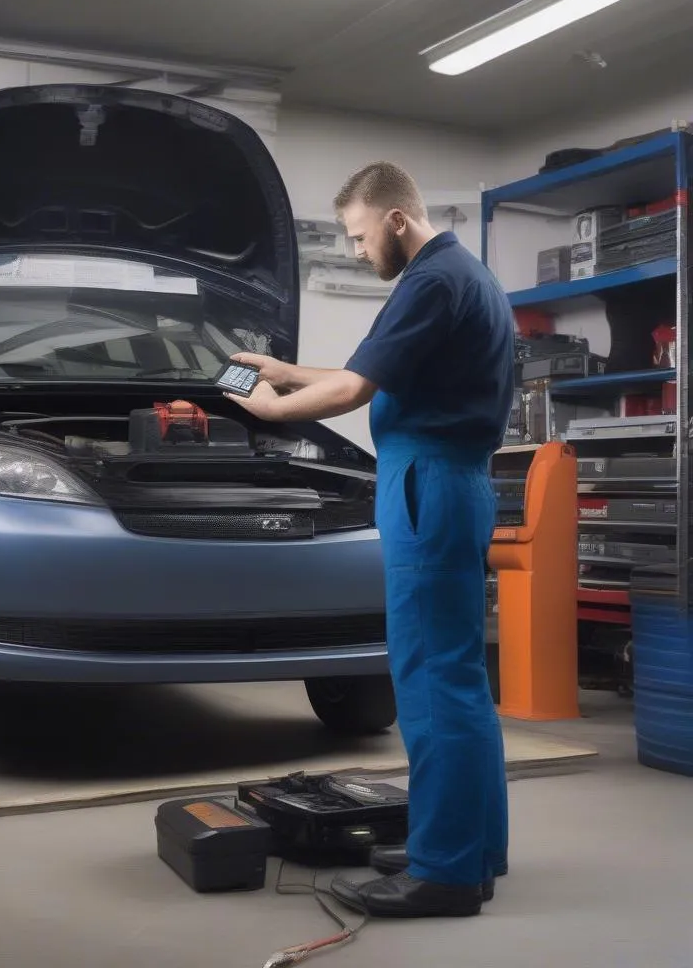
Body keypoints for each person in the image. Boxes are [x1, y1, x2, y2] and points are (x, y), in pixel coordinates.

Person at [229, 161, 514, 919]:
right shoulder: (464, 275)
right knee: (460, 677)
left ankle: (444, 872)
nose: (356, 253)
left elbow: (354, 392)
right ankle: (472, 846)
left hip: (427, 484)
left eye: (358, 238)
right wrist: (290, 372)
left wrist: (269, 409)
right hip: (452, 484)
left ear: (395, 219)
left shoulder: (429, 282)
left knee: (427, 681)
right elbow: (373, 373)